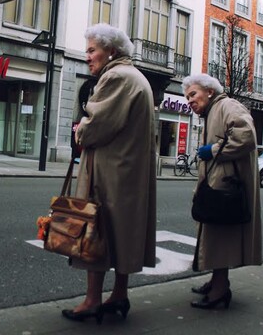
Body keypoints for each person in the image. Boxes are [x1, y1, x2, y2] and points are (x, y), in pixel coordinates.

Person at [62, 23, 157, 323]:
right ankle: (119, 295)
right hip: (128, 172)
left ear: (111, 51)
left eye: (92, 50)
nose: (87, 56)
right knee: (124, 234)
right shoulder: (137, 77)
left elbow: (96, 125)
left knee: (96, 232)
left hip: (108, 172)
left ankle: (92, 300)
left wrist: (80, 131)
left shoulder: (115, 77)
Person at [182, 73, 262, 309]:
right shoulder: (213, 111)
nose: (190, 101)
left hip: (225, 185)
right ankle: (217, 280)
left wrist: (214, 149)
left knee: (219, 236)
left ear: (209, 91)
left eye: (193, 94)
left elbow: (245, 135)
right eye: (187, 97)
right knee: (216, 237)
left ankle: (220, 289)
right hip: (219, 184)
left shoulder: (227, 105)